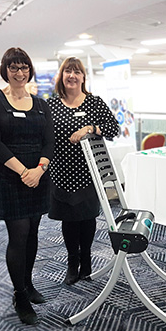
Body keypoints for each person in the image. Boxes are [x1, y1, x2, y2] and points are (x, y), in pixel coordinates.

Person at [0, 47, 54, 325]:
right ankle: (19, 294)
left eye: (24, 68)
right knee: (19, 234)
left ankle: (29, 283)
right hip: (10, 176)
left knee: (33, 231)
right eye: (14, 68)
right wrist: (24, 172)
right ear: (5, 71)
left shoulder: (41, 104)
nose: (20, 73)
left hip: (37, 176)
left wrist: (39, 169)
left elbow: (49, 142)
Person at [48, 57, 119, 285]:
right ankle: (72, 263)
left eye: (77, 72)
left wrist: (90, 128)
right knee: (68, 221)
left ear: (83, 77)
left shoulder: (94, 103)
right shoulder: (52, 105)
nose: (72, 75)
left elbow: (114, 128)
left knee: (87, 218)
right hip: (61, 173)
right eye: (68, 71)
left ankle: (86, 261)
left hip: (88, 173)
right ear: (62, 76)